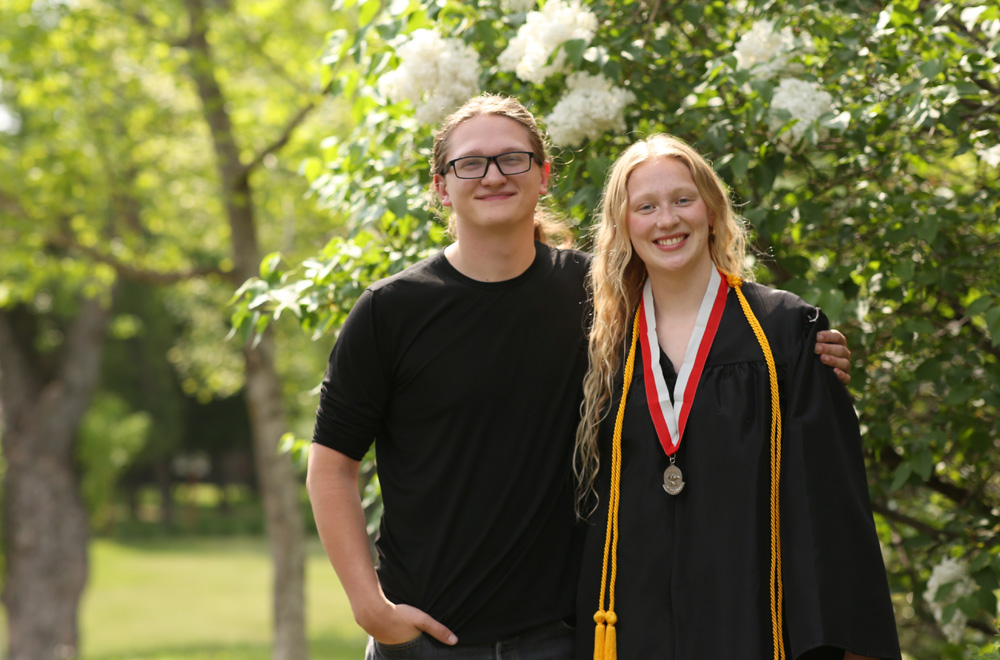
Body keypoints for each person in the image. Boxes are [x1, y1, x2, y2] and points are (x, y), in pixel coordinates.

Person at [306, 95, 854, 660]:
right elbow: (330, 466)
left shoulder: (601, 297)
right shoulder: (390, 311)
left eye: (513, 159)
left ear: (543, 175)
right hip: (425, 637)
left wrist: (799, 344)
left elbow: (700, 315)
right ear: (441, 187)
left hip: (562, 636)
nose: (493, 176)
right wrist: (369, 606)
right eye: (469, 163)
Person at [574, 134, 899, 660]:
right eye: (645, 206)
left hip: (755, 621)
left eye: (682, 199)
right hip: (633, 622)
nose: (667, 220)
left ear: (711, 210)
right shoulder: (602, 345)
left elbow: (829, 506)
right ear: (623, 225)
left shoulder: (785, 331)